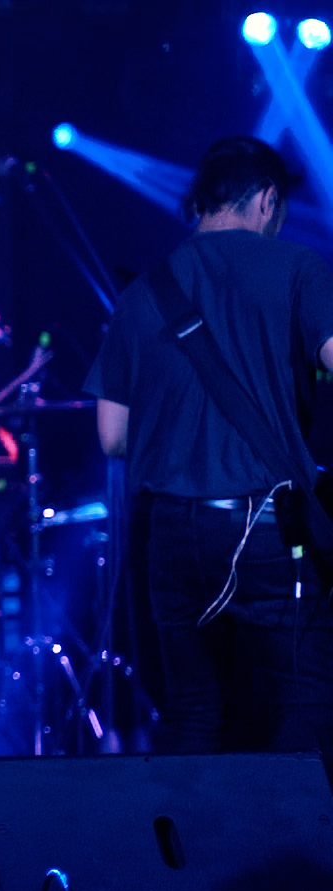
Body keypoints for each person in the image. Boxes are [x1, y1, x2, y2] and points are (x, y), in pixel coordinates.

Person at [86, 136, 333, 754]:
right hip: (267, 526)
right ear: (268, 201)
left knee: (194, 711)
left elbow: (112, 437)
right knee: (304, 704)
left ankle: (193, 851)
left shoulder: (143, 293)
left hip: (171, 532)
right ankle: (292, 850)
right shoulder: (301, 269)